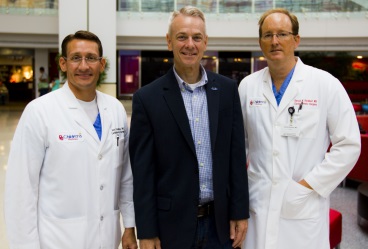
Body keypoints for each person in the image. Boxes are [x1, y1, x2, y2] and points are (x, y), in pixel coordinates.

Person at [238, 8, 361, 249]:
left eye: (282, 34)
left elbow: (349, 145)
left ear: (296, 39)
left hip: (303, 206)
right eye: (268, 35)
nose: (275, 41)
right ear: (260, 42)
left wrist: (308, 185)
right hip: (257, 204)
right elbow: (238, 146)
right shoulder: (247, 87)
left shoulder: (325, 84)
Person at [129, 6, 249, 249]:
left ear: (205, 42)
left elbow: (236, 158)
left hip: (220, 225)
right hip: (169, 228)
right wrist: (147, 231)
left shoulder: (227, 91)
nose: (189, 44)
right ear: (169, 42)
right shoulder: (147, 98)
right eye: (182, 37)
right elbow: (143, 173)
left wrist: (239, 211)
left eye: (196, 38)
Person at [4, 30, 137, 249]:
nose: (84, 66)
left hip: (107, 237)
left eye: (91, 58)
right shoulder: (39, 111)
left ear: (102, 64)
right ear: (63, 64)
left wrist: (129, 226)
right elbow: (21, 190)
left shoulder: (115, 110)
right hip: (58, 240)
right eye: (76, 58)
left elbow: (125, 177)